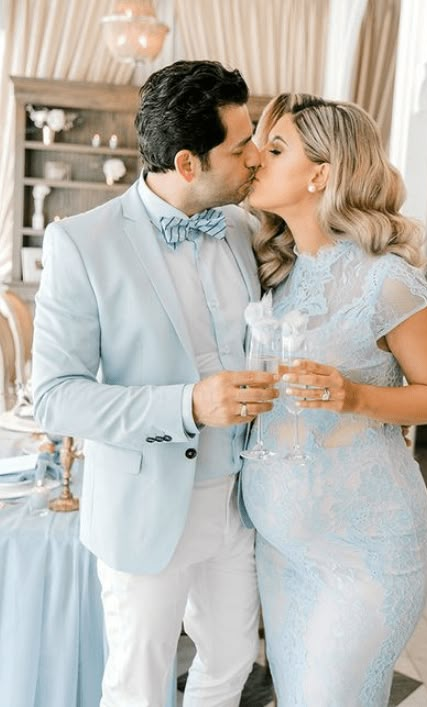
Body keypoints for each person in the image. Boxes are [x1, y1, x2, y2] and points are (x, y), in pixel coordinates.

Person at [32, 60, 279, 707]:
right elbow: (54, 393)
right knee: (138, 684)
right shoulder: (81, 243)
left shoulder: (239, 229)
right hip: (146, 510)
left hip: (238, 505)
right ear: (188, 162)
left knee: (230, 663)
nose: (256, 155)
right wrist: (187, 403)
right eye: (240, 144)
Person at [241, 94, 427, 706]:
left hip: (364, 554)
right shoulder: (270, 271)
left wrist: (355, 395)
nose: (257, 157)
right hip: (282, 552)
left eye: (275, 148)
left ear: (322, 172)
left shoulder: (388, 281)